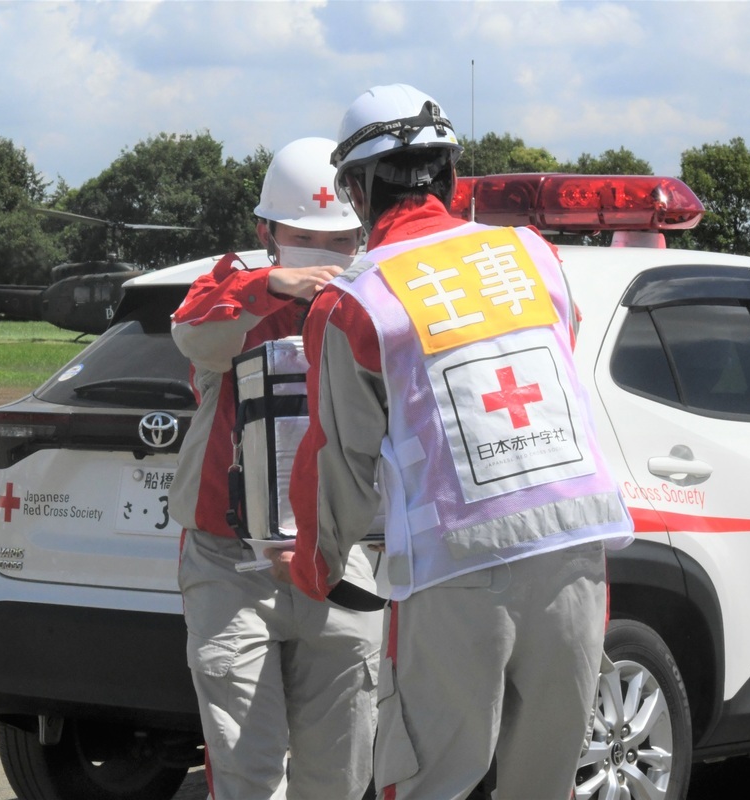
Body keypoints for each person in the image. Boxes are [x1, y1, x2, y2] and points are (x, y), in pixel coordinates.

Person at [269, 85, 635, 800]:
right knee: (542, 786)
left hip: (457, 570)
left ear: (357, 191)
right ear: (450, 178)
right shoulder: (533, 255)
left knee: (429, 781)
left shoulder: (357, 299)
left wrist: (313, 567)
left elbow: (337, 461)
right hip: (579, 553)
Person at [169, 137, 382, 800]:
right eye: (304, 237)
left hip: (346, 562)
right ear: (267, 232)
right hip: (232, 566)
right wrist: (272, 287)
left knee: (340, 777)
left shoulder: (378, 296)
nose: (327, 255)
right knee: (247, 773)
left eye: (343, 239)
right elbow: (195, 331)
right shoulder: (231, 290)